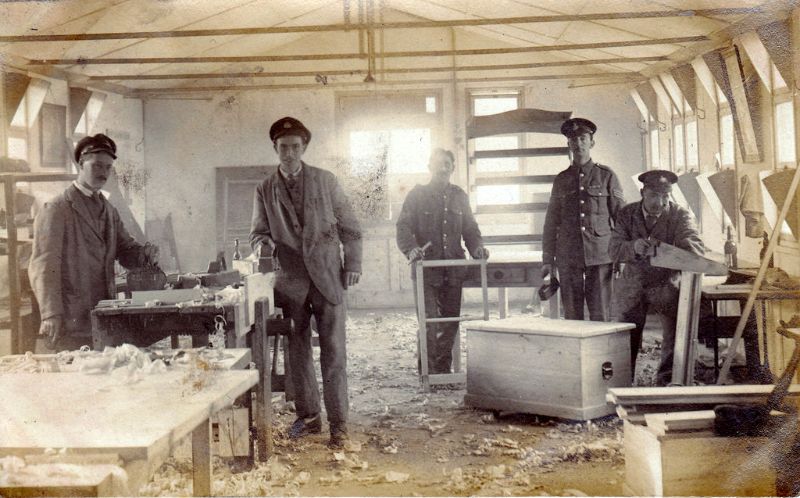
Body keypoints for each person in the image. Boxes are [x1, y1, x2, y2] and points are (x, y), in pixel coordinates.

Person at [250, 116, 363, 449]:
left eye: (295, 147)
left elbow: (351, 226)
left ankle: (339, 424)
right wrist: (263, 245)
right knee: (297, 354)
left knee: (334, 352)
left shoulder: (326, 181)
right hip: (291, 283)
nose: (289, 154)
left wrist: (353, 262)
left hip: (328, 278)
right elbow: (257, 233)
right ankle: (310, 417)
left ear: (304, 148)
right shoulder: (265, 189)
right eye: (283, 148)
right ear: (275, 148)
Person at [29, 134, 159, 351]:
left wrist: (144, 255)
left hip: (103, 312)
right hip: (70, 318)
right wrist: (51, 313)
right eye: (97, 165)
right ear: (81, 163)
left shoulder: (109, 210)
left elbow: (125, 249)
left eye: (108, 167)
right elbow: (43, 265)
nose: (103, 172)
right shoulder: (57, 208)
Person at [396, 148, 489, 375]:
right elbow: (403, 227)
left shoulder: (459, 196)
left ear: (452, 168)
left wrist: (477, 248)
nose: (442, 168)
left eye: (447, 164)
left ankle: (442, 372)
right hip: (426, 271)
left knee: (450, 323)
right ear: (430, 167)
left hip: (453, 271)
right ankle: (427, 374)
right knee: (429, 324)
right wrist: (411, 249)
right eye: (438, 163)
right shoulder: (416, 195)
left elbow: (470, 229)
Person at [609, 169, 705, 386]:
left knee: (674, 335)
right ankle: (623, 384)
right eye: (654, 196)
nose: (659, 202)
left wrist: (666, 250)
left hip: (666, 284)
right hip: (633, 283)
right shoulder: (627, 214)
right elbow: (613, 249)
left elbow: (696, 249)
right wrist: (633, 246)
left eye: (665, 196)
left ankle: (667, 383)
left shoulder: (681, 215)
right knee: (625, 336)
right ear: (643, 192)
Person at [541, 118, 625, 321]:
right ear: (568, 144)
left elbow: (621, 219)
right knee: (572, 314)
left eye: (583, 138)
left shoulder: (606, 176)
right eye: (573, 140)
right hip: (568, 255)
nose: (578, 143)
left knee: (601, 313)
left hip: (601, 254)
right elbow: (551, 222)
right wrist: (547, 259)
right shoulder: (561, 180)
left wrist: (622, 255)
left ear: (591, 142)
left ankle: (600, 353)